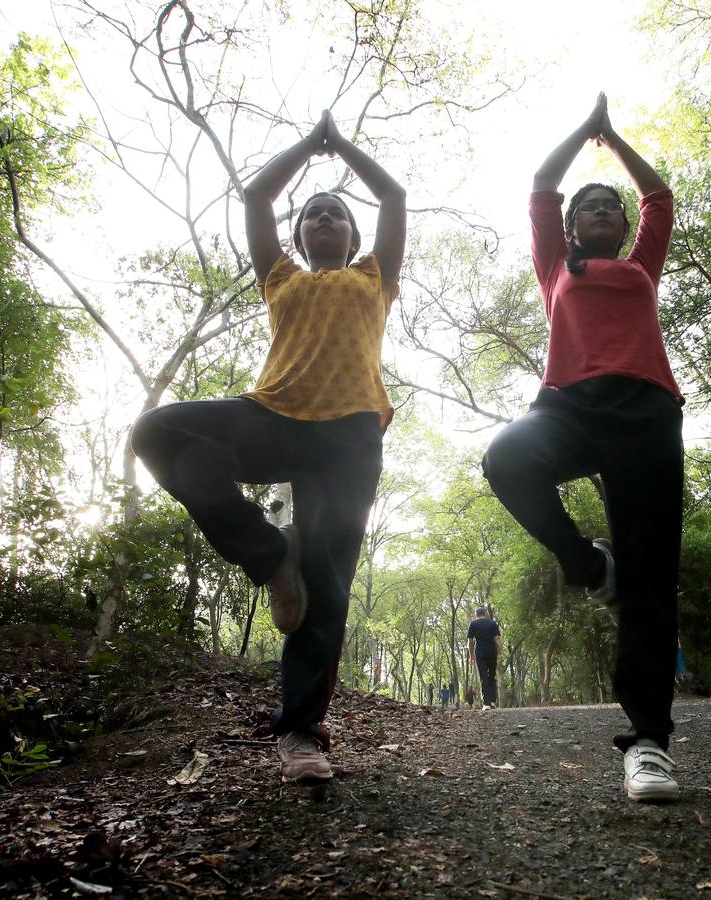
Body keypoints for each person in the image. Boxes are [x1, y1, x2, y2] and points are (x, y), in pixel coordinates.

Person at [129, 110, 405, 784]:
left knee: (330, 585)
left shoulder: (375, 276)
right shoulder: (281, 278)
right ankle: (268, 554)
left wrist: (342, 148)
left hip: (348, 435)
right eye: (312, 215)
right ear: (299, 236)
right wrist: (307, 148)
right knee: (159, 431)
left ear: (353, 233)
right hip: (273, 415)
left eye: (334, 214)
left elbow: (395, 198)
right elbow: (256, 198)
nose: (322, 222)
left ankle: (302, 731)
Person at [480, 93, 684, 802]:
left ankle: (649, 744)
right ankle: (587, 563)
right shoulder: (553, 270)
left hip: (646, 411)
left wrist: (617, 140)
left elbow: (658, 195)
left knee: (653, 579)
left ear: (624, 228)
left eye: (611, 208)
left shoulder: (642, 268)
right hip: (567, 404)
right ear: (570, 228)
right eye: (590, 206)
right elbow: (542, 185)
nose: (603, 210)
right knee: (507, 460)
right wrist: (583, 132)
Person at [467, 607, 502, 710]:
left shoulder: (473, 624)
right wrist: (501, 653)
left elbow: (470, 641)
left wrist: (471, 655)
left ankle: (486, 703)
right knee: (492, 676)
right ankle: (492, 701)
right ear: (485, 614)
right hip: (492, 651)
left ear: (476, 614)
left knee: (483, 676)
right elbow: (498, 639)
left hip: (480, 652)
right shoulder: (492, 623)